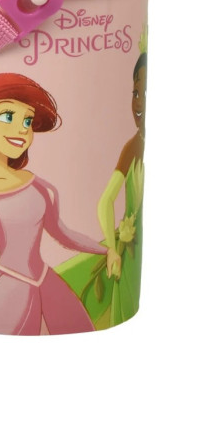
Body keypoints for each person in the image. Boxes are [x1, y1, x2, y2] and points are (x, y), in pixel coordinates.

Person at [0, 72, 105, 335]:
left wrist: (106, 250)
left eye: (27, 121)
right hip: (7, 285)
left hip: (45, 280)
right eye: (8, 117)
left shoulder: (38, 186)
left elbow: (63, 233)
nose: (22, 130)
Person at [56, 48, 147, 328]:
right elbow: (105, 201)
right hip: (123, 248)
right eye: (135, 92)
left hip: (130, 248)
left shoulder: (137, 143)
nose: (138, 102)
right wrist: (113, 249)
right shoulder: (132, 146)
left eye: (144, 92)